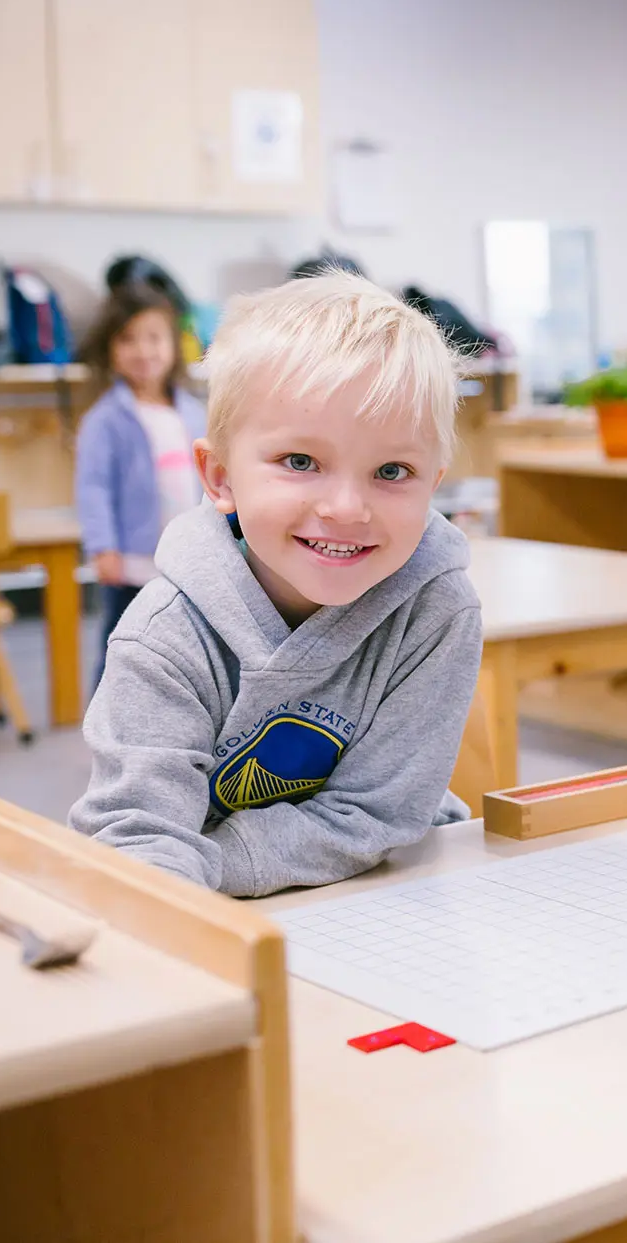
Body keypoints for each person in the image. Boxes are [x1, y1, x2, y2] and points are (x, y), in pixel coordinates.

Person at [70, 272, 484, 897]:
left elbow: (380, 814)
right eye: (300, 462)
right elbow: (139, 840)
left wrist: (214, 862)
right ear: (219, 477)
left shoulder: (437, 611)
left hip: (390, 887)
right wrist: (196, 885)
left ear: (433, 484)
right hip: (211, 907)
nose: (347, 507)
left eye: (392, 471)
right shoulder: (165, 636)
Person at [74, 283, 210, 690]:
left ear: (173, 344)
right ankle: (107, 726)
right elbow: (93, 488)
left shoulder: (191, 410)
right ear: (111, 349)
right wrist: (103, 547)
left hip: (186, 559)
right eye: (128, 339)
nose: (143, 350)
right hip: (131, 561)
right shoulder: (106, 418)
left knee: (184, 645)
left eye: (154, 338)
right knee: (121, 645)